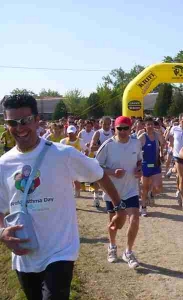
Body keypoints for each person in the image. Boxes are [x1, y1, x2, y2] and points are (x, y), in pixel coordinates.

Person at [0, 94, 126, 300]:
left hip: (60, 251)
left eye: (26, 121)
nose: (20, 127)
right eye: (13, 122)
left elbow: (99, 174)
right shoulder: (4, 164)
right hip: (25, 255)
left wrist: (119, 207)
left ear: (37, 120)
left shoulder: (62, 154)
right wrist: (2, 233)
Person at [96, 116, 143, 269]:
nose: (122, 131)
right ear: (114, 129)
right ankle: (112, 246)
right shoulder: (108, 145)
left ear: (131, 129)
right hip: (112, 190)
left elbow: (139, 160)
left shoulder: (136, 143)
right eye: (119, 128)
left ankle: (128, 251)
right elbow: (96, 167)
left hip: (131, 188)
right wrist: (112, 172)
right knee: (115, 223)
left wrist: (139, 169)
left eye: (125, 128)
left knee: (135, 218)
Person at [138, 116, 165, 217]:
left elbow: (164, 143)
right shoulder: (142, 137)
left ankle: (151, 194)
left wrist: (161, 153)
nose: (150, 126)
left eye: (151, 124)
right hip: (145, 165)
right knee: (144, 188)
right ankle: (143, 207)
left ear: (154, 125)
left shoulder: (157, 135)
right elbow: (135, 149)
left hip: (155, 165)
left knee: (158, 188)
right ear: (144, 126)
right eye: (148, 124)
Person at [90, 116, 113, 207]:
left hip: (110, 159)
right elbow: (92, 148)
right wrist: (104, 147)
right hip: (99, 158)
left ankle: (106, 194)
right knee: (98, 178)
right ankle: (96, 195)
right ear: (101, 124)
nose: (107, 126)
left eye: (108, 124)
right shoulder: (98, 133)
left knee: (109, 178)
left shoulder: (113, 132)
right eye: (105, 124)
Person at [60, 125, 88, 197]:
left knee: (76, 180)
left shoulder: (80, 141)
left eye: (72, 133)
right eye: (69, 133)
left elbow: (86, 150)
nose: (71, 135)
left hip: (76, 163)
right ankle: (67, 193)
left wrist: (83, 158)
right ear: (67, 133)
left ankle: (77, 193)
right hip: (66, 163)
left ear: (76, 133)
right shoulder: (63, 141)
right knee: (66, 179)